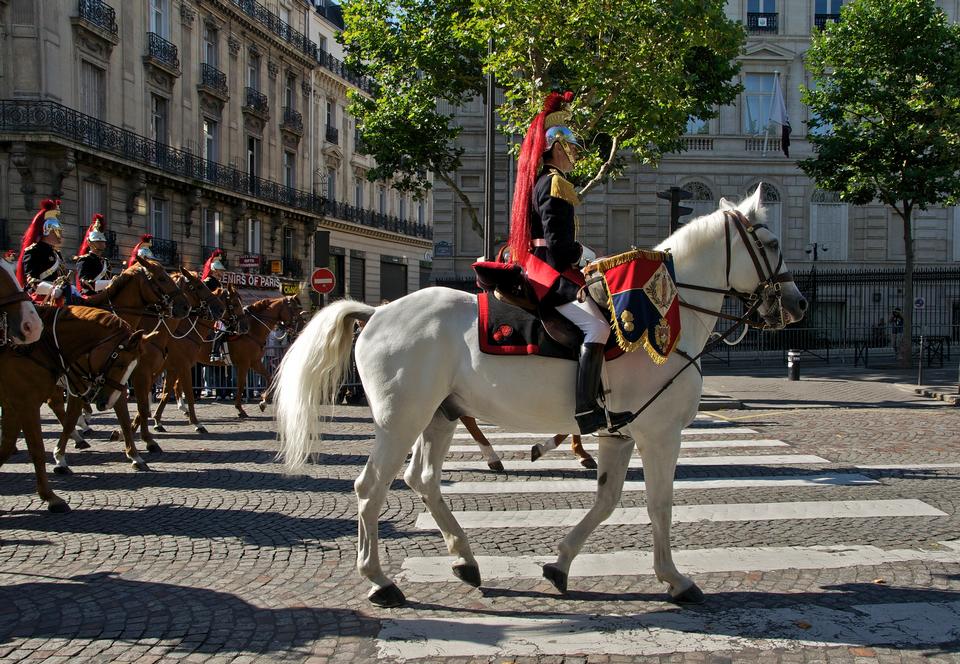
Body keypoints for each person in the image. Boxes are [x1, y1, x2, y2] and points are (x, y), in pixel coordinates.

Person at [508, 91, 630, 435]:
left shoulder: (541, 181)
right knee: (598, 328)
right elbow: (560, 247)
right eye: (573, 148)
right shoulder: (555, 183)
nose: (576, 154)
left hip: (542, 263)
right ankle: (586, 410)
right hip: (549, 271)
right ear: (557, 148)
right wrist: (589, 257)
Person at [16, 198, 79, 306]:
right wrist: (52, 289)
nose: (60, 234)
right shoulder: (33, 251)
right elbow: (31, 281)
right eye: (57, 230)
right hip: (41, 301)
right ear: (46, 230)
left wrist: (70, 288)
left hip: (60, 299)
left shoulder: (56, 253)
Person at [74, 213, 113, 296]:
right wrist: (109, 283)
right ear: (90, 243)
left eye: (103, 241)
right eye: (98, 241)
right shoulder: (85, 260)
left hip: (105, 297)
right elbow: (84, 282)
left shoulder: (106, 262)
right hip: (90, 296)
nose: (102, 243)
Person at [201, 250, 228, 362]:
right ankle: (215, 352)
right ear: (214, 271)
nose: (222, 273)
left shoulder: (216, 282)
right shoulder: (208, 282)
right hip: (210, 312)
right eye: (220, 270)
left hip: (217, 311)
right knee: (221, 327)